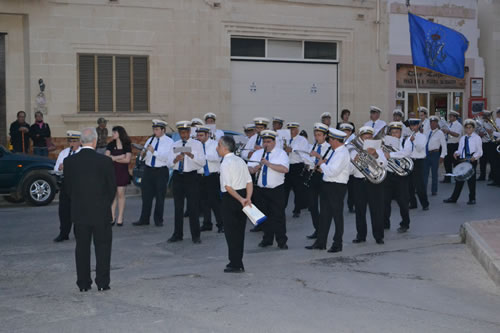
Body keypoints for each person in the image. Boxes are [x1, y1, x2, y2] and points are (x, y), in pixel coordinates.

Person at [63, 127, 116, 292]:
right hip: (101, 212)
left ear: (80, 142)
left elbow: (68, 189)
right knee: (103, 247)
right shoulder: (105, 161)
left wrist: (79, 201)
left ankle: (83, 284)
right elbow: (112, 188)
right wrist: (105, 203)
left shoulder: (70, 162)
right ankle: (102, 283)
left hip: (80, 212)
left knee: (82, 248)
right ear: (94, 141)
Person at [305, 128, 350, 253]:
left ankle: (337, 243)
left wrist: (322, 164)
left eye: (330, 139)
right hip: (328, 184)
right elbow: (330, 169)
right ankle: (321, 242)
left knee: (337, 216)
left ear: (335, 140)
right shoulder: (335, 151)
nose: (329, 141)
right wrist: (323, 166)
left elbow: (332, 171)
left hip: (336, 187)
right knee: (324, 215)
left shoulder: (342, 153)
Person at [217, 136, 253, 273]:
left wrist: (240, 199)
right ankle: (238, 261)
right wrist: (247, 198)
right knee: (239, 232)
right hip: (243, 195)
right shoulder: (240, 160)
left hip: (231, 198)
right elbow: (249, 181)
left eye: (218, 145)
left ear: (223, 147)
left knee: (231, 233)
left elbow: (227, 187)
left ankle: (235, 263)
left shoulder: (225, 163)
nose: (217, 148)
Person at [248, 130, 289, 250]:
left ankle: (282, 241)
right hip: (261, 189)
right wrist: (254, 169)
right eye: (264, 142)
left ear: (274, 142)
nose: (266, 144)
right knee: (264, 215)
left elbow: (285, 169)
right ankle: (267, 239)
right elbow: (249, 168)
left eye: (268, 142)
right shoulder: (258, 153)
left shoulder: (281, 154)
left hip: (276, 189)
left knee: (278, 216)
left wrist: (268, 164)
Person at [167, 121, 205, 244]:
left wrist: (191, 155)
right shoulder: (175, 144)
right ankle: (177, 234)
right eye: (181, 132)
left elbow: (202, 162)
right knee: (178, 207)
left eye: (185, 132)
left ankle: (196, 235)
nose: (183, 135)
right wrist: (175, 159)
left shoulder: (197, 144)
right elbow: (168, 163)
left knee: (193, 207)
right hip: (178, 176)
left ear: (189, 132)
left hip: (191, 176)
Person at [350, 126, 387, 244]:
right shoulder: (353, 149)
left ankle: (378, 236)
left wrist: (375, 155)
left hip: (374, 182)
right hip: (359, 182)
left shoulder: (378, 148)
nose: (367, 139)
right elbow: (349, 170)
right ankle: (361, 235)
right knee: (360, 210)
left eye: (369, 136)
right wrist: (354, 162)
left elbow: (384, 164)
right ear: (360, 137)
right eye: (365, 137)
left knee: (377, 210)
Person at [133, 120, 174, 227]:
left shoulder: (169, 142)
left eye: (157, 129)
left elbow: (166, 158)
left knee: (160, 196)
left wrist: (153, 152)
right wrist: (143, 154)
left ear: (163, 130)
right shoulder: (151, 139)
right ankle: (144, 218)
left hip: (161, 170)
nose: (155, 131)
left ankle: (158, 219)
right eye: (154, 129)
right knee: (146, 195)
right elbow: (146, 156)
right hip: (149, 170)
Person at [444, 119, 483, 205]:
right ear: (465, 129)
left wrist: (475, 157)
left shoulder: (477, 138)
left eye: (470, 128)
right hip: (462, 160)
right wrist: (456, 153)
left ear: (473, 128)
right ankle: (454, 198)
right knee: (459, 179)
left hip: (471, 160)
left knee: (471, 180)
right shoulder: (463, 138)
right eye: (467, 128)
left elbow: (480, 151)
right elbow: (460, 149)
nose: (468, 129)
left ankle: (472, 198)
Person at [382, 121, 412, 233]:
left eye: (397, 132)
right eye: (392, 132)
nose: (395, 134)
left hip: (401, 176)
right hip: (388, 175)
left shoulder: (406, 140)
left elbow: (406, 153)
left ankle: (405, 223)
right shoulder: (385, 142)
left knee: (403, 201)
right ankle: (385, 223)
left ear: (400, 132)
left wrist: (391, 155)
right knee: (385, 201)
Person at [304, 123, 332, 239]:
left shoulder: (330, 148)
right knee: (313, 205)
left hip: (323, 177)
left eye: (319, 135)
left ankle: (323, 231)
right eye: (315, 135)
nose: (317, 137)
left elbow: (329, 162)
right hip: (313, 176)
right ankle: (317, 228)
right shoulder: (313, 146)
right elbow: (310, 160)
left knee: (324, 207)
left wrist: (318, 155)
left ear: (325, 136)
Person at [53, 131, 82, 243]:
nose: (72, 144)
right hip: (66, 183)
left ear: (80, 142)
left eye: (74, 141)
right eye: (70, 141)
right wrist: (60, 168)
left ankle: (78, 232)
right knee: (64, 210)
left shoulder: (82, 153)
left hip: (78, 184)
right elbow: (56, 168)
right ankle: (64, 233)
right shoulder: (64, 153)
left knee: (77, 209)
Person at [196, 125, 224, 233]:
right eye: (198, 135)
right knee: (204, 202)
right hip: (200, 176)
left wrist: (204, 155)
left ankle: (221, 225)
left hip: (212, 176)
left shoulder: (214, 144)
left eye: (201, 135)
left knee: (215, 202)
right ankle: (207, 224)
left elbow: (218, 158)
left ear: (207, 135)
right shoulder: (196, 145)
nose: (199, 137)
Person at [106, 126, 132, 226]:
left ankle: (120, 217)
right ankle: (112, 217)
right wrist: (120, 157)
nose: (113, 134)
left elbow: (127, 160)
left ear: (120, 133)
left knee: (121, 194)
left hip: (122, 172)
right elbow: (107, 157)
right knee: (113, 195)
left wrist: (114, 158)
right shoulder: (110, 144)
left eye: (114, 133)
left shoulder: (127, 144)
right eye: (112, 133)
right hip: (112, 172)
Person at [283, 122, 309, 218]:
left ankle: (297, 209)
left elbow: (304, 152)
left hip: (297, 166)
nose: (291, 131)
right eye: (289, 129)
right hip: (287, 166)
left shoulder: (301, 140)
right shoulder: (285, 139)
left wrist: (292, 149)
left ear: (297, 130)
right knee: (285, 189)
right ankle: (283, 208)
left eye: (293, 129)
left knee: (297, 189)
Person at [406, 118, 429, 210]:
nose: (412, 127)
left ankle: (425, 204)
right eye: (411, 125)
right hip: (410, 160)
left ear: (418, 125)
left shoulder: (423, 136)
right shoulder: (409, 136)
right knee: (409, 185)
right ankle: (413, 203)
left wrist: (413, 140)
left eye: (414, 125)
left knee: (419, 185)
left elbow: (419, 149)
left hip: (419, 161)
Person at [423, 116, 447, 196]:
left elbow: (444, 146)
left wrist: (442, 156)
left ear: (437, 124)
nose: (432, 124)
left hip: (435, 154)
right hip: (426, 154)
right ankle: (423, 189)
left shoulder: (440, 133)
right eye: (431, 123)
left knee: (434, 173)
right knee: (425, 173)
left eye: (434, 123)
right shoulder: (426, 132)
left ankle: (434, 190)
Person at [441, 110, 463, 183]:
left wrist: (448, 131)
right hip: (448, 144)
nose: (449, 117)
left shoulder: (458, 125)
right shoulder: (448, 124)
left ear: (455, 117)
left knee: (456, 163)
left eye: (451, 116)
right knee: (447, 163)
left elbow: (457, 135)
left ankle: (458, 178)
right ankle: (447, 178)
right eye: (449, 116)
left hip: (454, 145)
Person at [339, 123, 356, 213]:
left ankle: (351, 205)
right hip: (341, 169)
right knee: (340, 190)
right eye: (343, 131)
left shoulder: (353, 142)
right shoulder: (338, 141)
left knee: (351, 189)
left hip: (350, 168)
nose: (345, 133)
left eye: (347, 131)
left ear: (350, 132)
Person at [477, 110, 495, 181]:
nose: (485, 117)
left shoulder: (492, 123)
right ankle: (482, 176)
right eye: (485, 116)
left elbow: (493, 132)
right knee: (482, 161)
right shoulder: (480, 123)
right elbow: (477, 133)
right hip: (483, 144)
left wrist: (488, 131)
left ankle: (491, 176)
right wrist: (480, 134)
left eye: (487, 116)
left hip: (490, 143)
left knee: (491, 161)